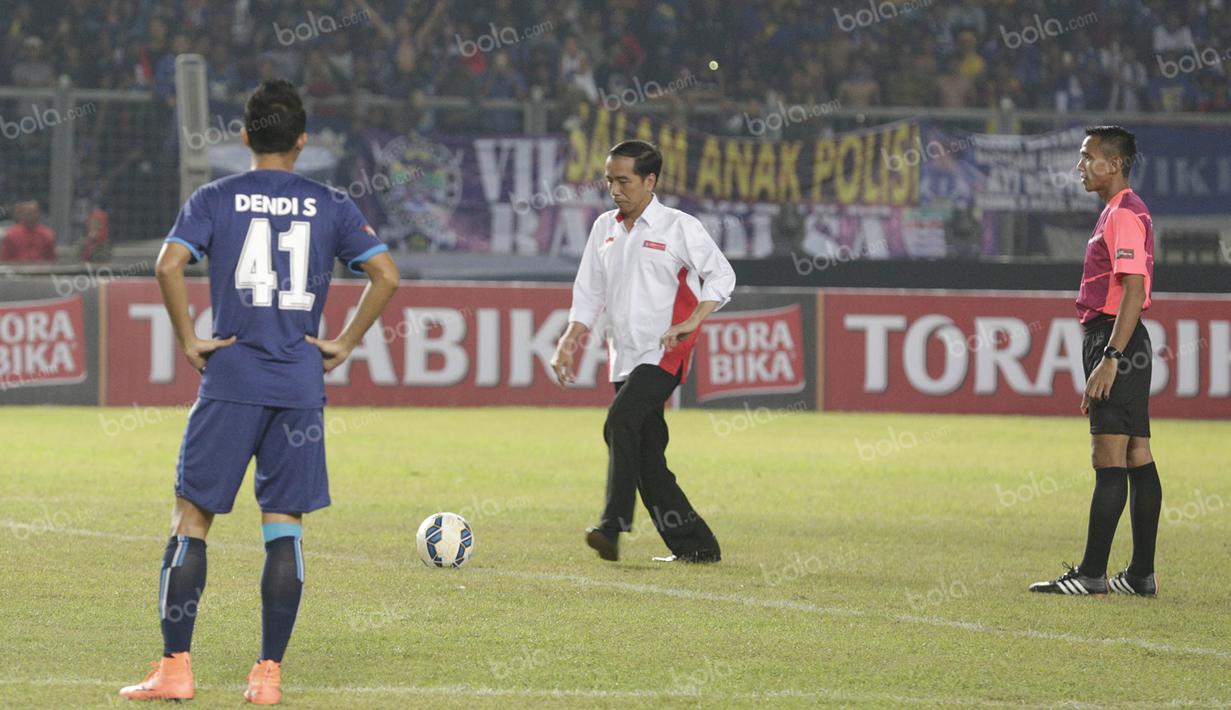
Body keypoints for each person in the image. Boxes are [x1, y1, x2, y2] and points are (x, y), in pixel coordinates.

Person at [118, 80, 400, 704]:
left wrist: (189, 339)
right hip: (298, 384)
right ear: (303, 141)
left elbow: (168, 264)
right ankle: (267, 676)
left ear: (244, 136)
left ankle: (176, 669)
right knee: (284, 529)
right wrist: (344, 343)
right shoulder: (331, 203)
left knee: (191, 520)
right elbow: (385, 274)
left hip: (232, 379)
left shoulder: (214, 197)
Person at [551, 140, 735, 564]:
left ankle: (612, 525)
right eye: (609, 180)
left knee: (620, 421)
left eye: (624, 181)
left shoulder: (679, 227)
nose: (614, 190)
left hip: (665, 351)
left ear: (650, 181)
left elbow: (722, 276)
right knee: (647, 455)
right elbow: (589, 291)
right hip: (624, 355)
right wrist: (568, 339)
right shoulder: (604, 228)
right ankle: (697, 546)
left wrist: (693, 321)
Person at [1030, 126, 1160, 597]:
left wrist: (1110, 357)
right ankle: (1140, 575)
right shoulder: (1121, 210)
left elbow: (1133, 291)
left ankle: (1091, 574)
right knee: (1136, 453)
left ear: (1116, 163)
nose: (1080, 166)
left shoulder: (1122, 213)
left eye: (1088, 157)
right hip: (1122, 340)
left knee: (1108, 456)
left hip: (1114, 337)